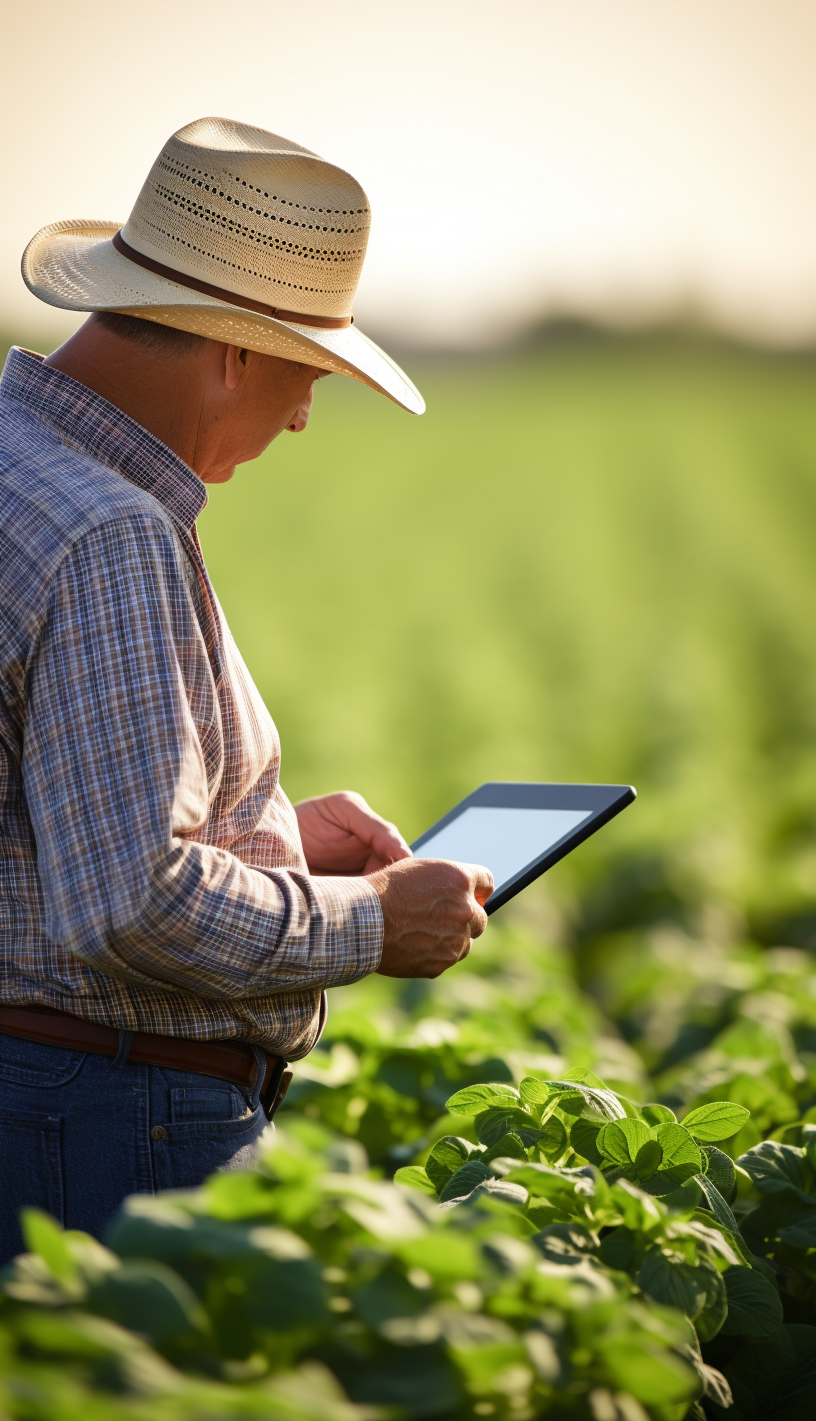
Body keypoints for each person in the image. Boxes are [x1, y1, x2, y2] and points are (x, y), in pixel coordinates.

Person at [0, 116, 492, 1263]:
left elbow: (45, 827)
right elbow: (132, 903)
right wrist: (374, 920)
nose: (306, 413)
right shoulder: (109, 532)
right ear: (234, 353)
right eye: (306, 372)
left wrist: (266, 839)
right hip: (106, 1122)